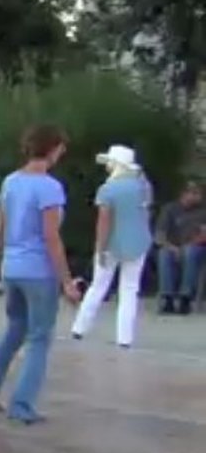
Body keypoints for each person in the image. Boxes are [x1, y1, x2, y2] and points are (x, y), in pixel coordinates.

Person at [0, 125, 80, 424]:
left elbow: (0, 230)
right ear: (53, 149)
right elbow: (51, 237)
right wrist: (67, 281)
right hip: (38, 270)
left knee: (15, 327)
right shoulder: (49, 187)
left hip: (13, 266)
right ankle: (22, 404)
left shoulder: (11, 182)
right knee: (40, 338)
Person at [70, 145, 153, 348]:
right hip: (139, 241)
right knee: (130, 289)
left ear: (116, 165)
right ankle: (125, 338)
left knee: (98, 286)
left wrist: (100, 248)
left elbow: (104, 221)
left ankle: (79, 328)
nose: (107, 166)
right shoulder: (143, 187)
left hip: (112, 244)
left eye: (109, 163)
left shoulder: (108, 190)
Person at [153, 180, 206, 315]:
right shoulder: (169, 209)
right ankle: (168, 298)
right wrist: (172, 248)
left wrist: (191, 244)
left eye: (199, 194)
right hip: (173, 247)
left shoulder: (203, 211)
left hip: (197, 248)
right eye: (194, 193)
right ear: (184, 194)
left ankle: (185, 298)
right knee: (164, 254)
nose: (198, 197)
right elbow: (159, 236)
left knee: (190, 252)